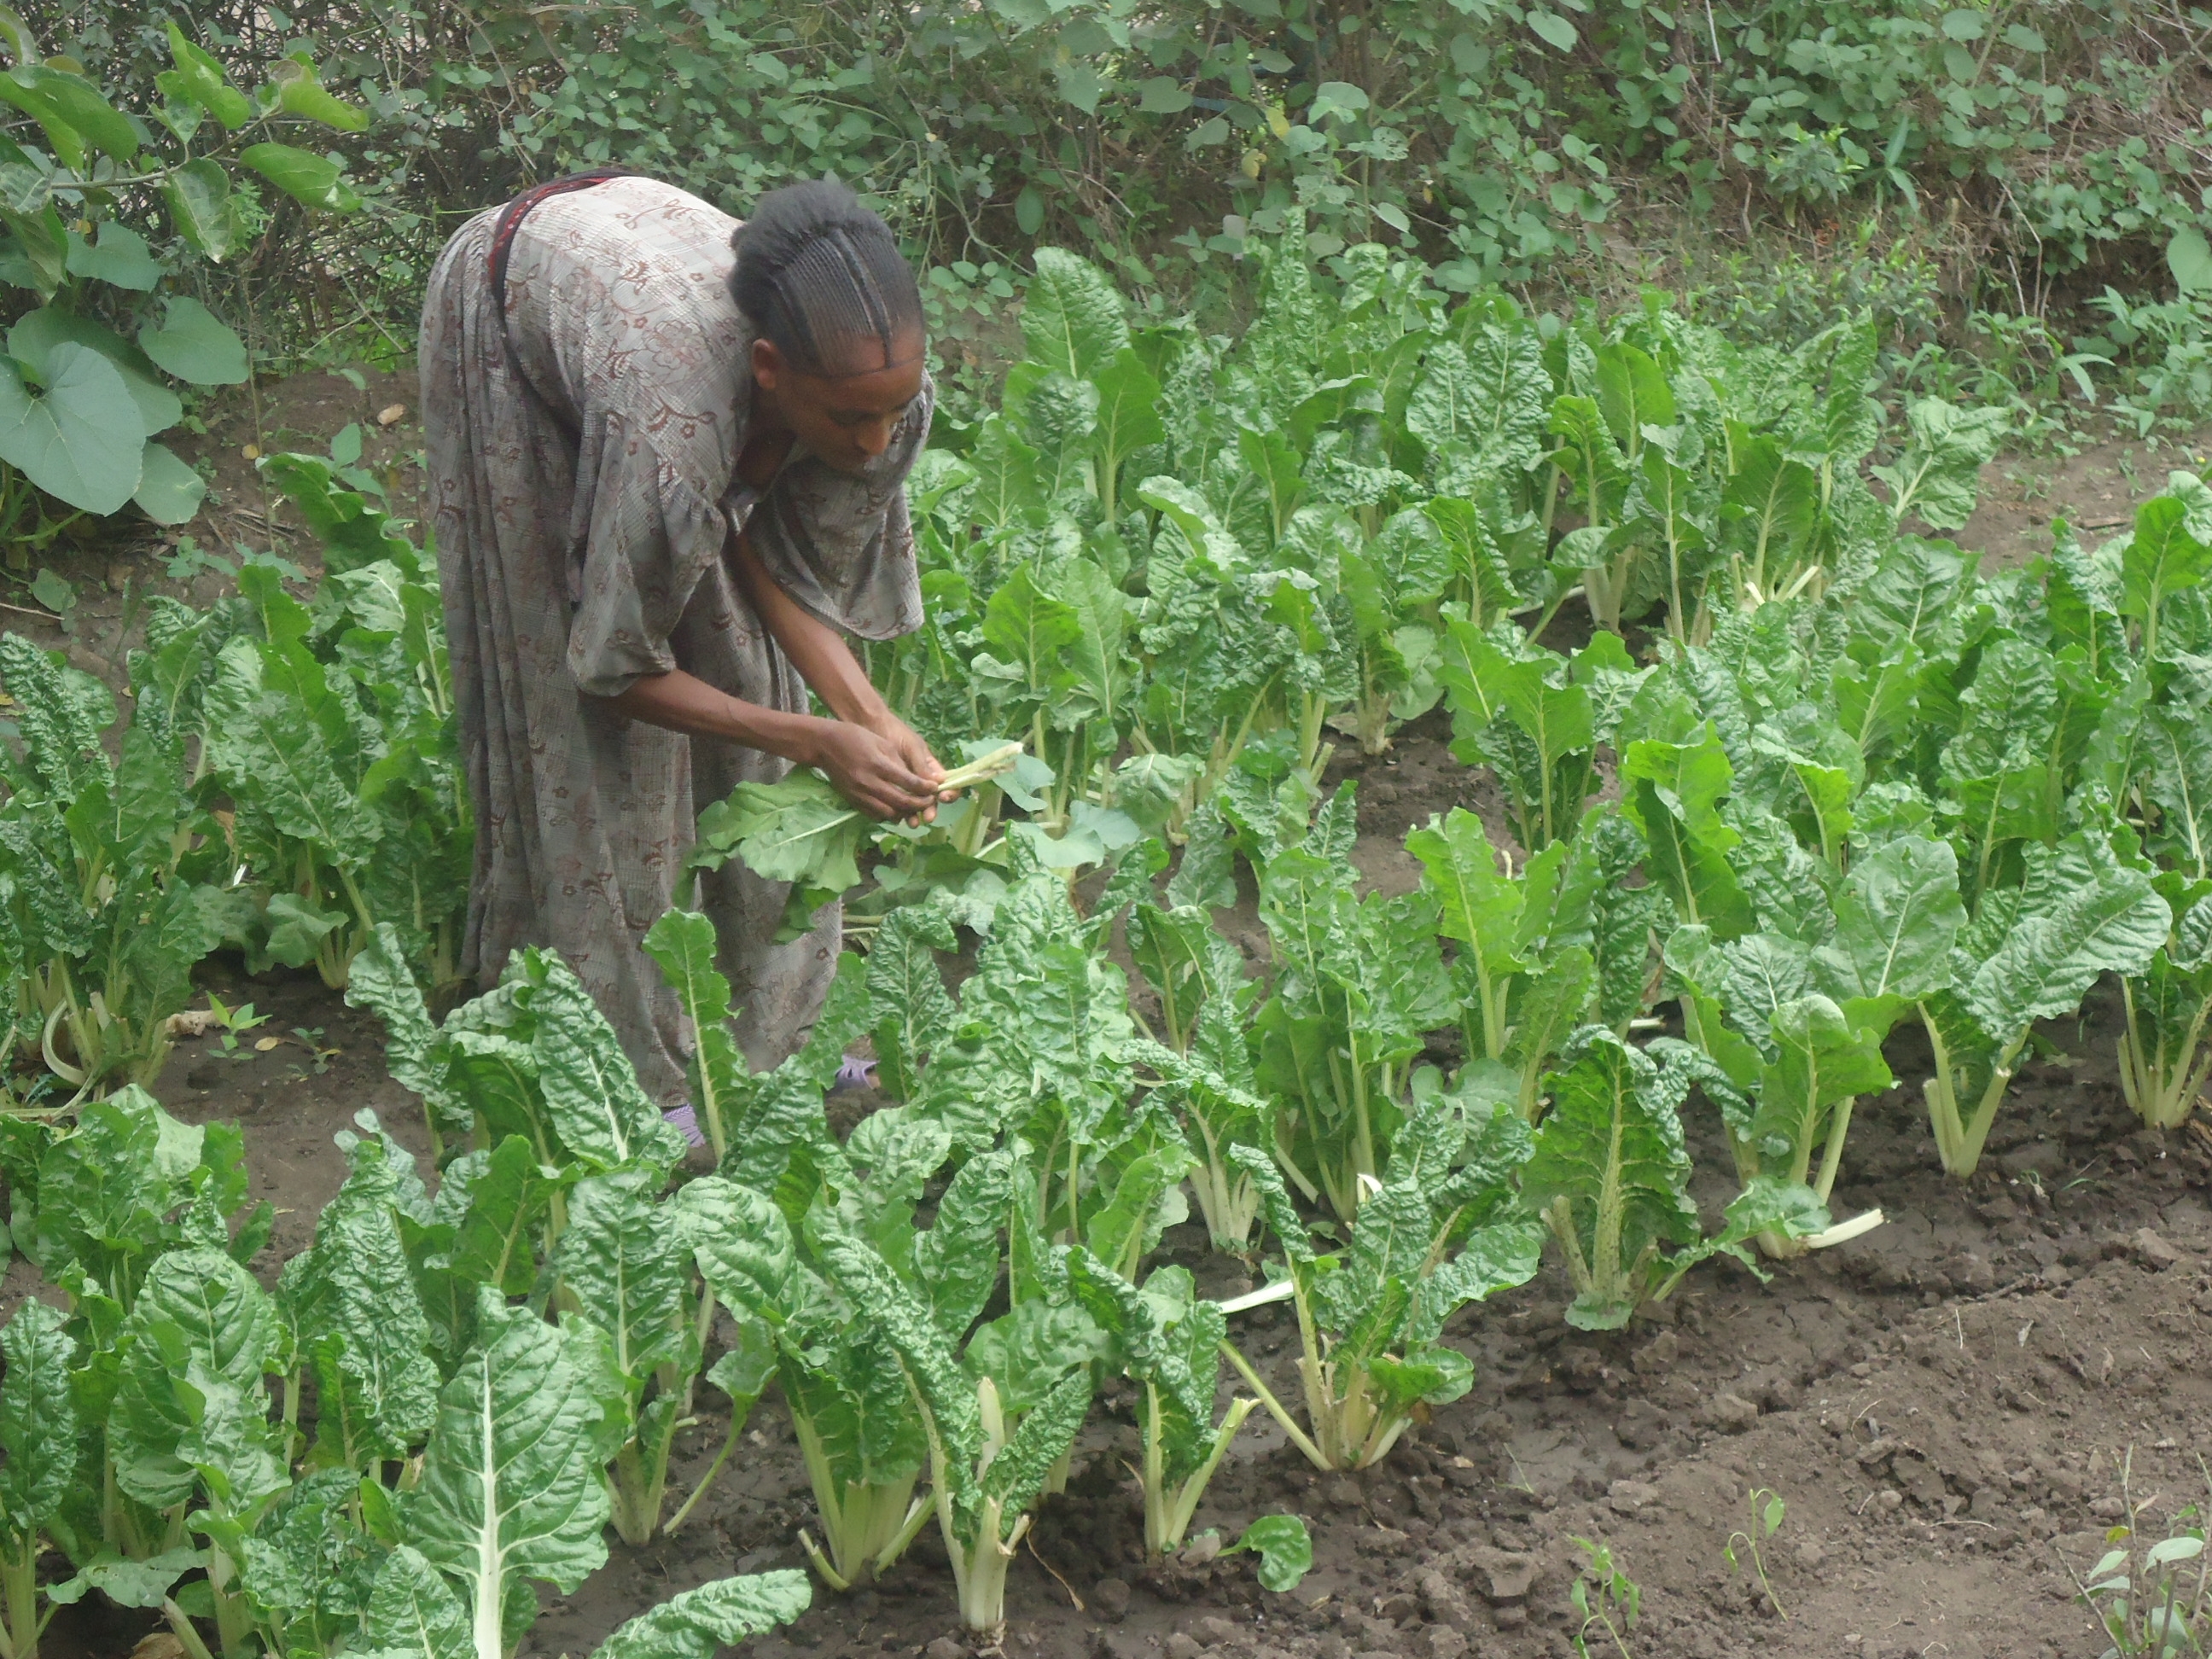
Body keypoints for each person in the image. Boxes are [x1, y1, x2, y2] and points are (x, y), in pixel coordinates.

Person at [419, 174, 948, 1102]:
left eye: (891, 416)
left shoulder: (872, 379)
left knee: (754, 675)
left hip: (651, 306)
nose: (875, 444)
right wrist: (817, 739)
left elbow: (775, 558)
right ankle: (631, 1083)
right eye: (851, 421)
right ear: (772, 371)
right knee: (598, 760)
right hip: (520, 315)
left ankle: (781, 1035)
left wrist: (863, 712)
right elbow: (609, 670)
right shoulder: (674, 417)